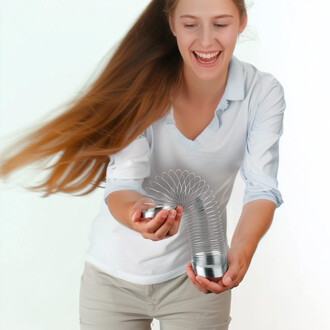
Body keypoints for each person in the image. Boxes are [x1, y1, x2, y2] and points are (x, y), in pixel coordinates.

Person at [0, 0, 286, 329]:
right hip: (113, 279)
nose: (206, 42)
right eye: (191, 24)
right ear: (172, 25)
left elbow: (262, 187)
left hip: (196, 277)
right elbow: (123, 185)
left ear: (241, 22)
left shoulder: (262, 93)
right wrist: (138, 216)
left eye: (220, 24)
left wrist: (242, 250)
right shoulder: (142, 87)